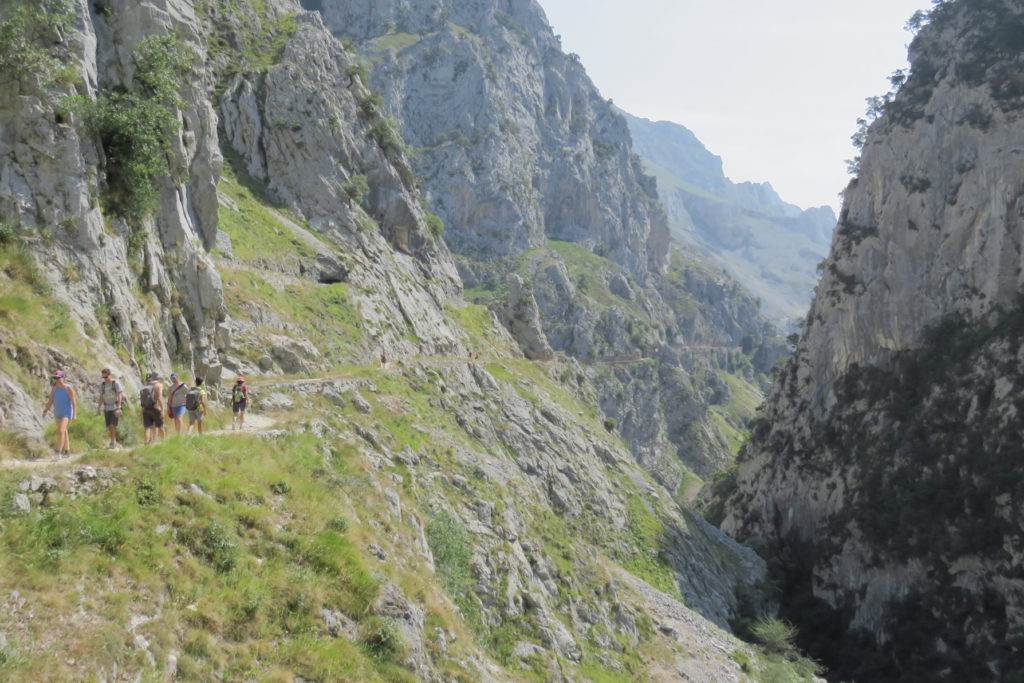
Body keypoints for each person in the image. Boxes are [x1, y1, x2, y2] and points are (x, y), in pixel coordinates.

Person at [42, 369, 76, 457]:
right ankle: (67, 451)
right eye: (56, 378)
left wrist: (75, 414)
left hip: (67, 412)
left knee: (61, 431)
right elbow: (50, 400)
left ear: (63, 378)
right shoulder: (54, 388)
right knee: (64, 432)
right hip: (58, 412)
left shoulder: (68, 388)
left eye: (59, 378)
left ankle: (58, 452)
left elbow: (73, 402)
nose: (57, 380)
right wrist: (45, 410)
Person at [95, 368, 123, 449]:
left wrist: (118, 408)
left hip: (114, 407)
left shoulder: (116, 384)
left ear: (110, 375)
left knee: (112, 424)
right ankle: (113, 441)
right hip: (106, 407)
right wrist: (99, 408)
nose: (105, 379)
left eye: (106, 377)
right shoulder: (103, 385)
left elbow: (119, 395)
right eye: (103, 377)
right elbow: (101, 397)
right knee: (109, 425)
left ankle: (113, 442)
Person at [140, 371, 165, 445]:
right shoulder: (159, 385)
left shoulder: (145, 386)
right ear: (157, 377)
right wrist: (162, 410)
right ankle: (161, 442)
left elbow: (142, 398)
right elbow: (159, 398)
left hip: (146, 408)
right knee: (159, 425)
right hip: (155, 407)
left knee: (147, 427)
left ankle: (146, 443)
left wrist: (143, 407)